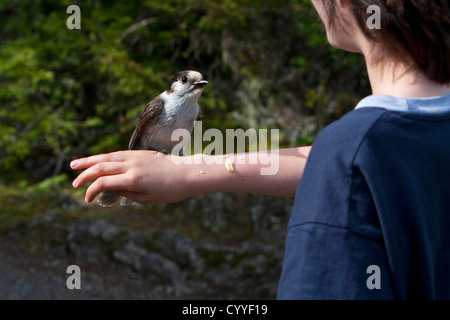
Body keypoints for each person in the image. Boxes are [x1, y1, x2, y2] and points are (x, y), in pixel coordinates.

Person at [71, 0, 450, 299]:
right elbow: (346, 164)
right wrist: (188, 171)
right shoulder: (379, 145)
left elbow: (343, 166)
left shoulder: (352, 150)